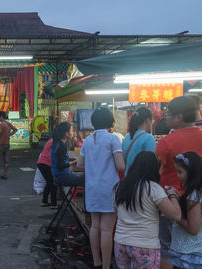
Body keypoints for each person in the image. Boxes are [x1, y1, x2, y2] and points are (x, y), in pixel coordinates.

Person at [155, 96, 202, 269]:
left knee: (166, 248)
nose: (165, 117)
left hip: (170, 203)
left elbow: (154, 174)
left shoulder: (166, 142)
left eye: (168, 114)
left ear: (179, 117)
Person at [113, 151, 182, 269]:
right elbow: (176, 215)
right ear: (153, 169)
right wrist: (173, 195)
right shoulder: (153, 188)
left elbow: (117, 211)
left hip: (120, 243)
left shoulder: (119, 186)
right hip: (145, 246)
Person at [76, 108, 125, 269]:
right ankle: (105, 265)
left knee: (95, 225)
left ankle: (96, 261)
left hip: (92, 187)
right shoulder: (113, 139)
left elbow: (80, 164)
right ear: (111, 122)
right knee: (106, 229)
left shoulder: (88, 140)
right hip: (109, 187)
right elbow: (120, 165)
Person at [166, 152, 202, 269]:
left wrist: (176, 213)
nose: (178, 175)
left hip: (193, 253)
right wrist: (177, 196)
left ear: (192, 173)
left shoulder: (194, 195)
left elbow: (193, 229)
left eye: (180, 172)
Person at [122, 107, 156, 175]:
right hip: (142, 179)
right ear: (147, 120)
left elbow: (124, 160)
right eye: (151, 120)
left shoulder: (127, 137)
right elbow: (151, 163)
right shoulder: (148, 138)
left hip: (127, 178)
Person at [50, 122, 84, 187]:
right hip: (62, 177)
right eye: (71, 131)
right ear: (66, 133)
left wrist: (71, 159)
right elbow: (61, 166)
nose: (72, 133)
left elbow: (60, 158)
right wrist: (74, 162)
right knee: (86, 177)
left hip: (56, 175)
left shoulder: (57, 143)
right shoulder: (62, 146)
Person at [37, 138, 57, 209]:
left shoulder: (51, 140)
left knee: (49, 182)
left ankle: (44, 201)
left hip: (42, 163)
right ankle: (54, 204)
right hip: (46, 163)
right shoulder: (56, 141)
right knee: (53, 183)